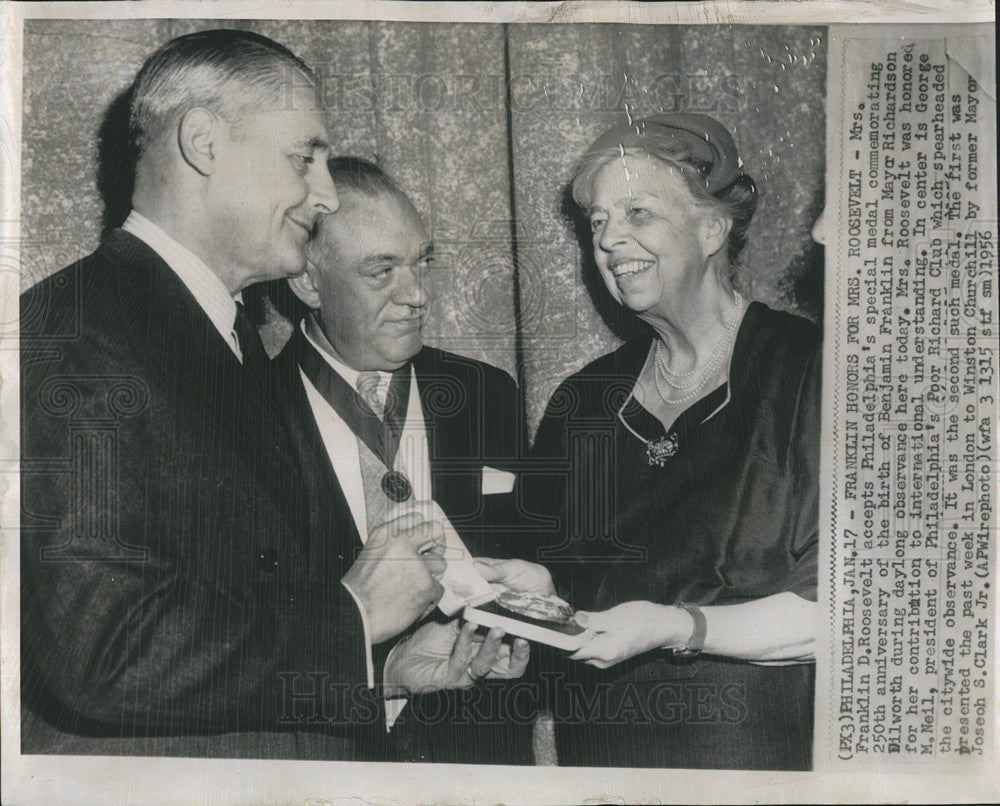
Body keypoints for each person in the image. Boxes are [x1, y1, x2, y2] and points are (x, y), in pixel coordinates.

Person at [20, 29, 507, 761]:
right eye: (303, 157)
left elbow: (226, 610)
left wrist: (380, 671)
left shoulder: (222, 334)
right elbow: (103, 647)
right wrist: (351, 619)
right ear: (204, 143)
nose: (327, 192)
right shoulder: (76, 330)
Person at [524, 112, 820, 770]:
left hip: (753, 759)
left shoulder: (809, 369)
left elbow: (846, 609)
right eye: (598, 222)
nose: (610, 241)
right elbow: (566, 575)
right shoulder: (584, 400)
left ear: (713, 227)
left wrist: (674, 626)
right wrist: (525, 583)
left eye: (637, 212)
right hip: (601, 750)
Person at [272, 156, 534, 763]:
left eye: (421, 262)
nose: (417, 295)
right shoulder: (240, 415)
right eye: (380, 270)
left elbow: (538, 570)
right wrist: (384, 678)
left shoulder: (487, 395)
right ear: (308, 282)